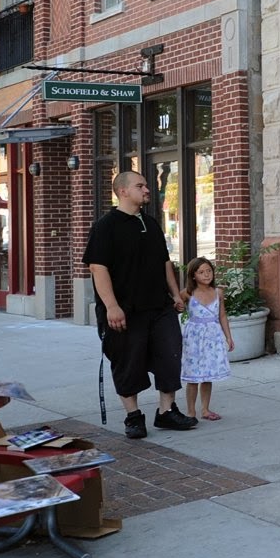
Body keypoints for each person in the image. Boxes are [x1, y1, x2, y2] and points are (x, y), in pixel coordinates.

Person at [83, 170, 197, 438]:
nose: (147, 189)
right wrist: (111, 306)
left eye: (146, 185)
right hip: (125, 311)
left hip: (159, 307)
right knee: (128, 362)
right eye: (140, 185)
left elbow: (165, 262)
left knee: (170, 356)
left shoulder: (151, 223)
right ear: (123, 191)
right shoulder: (105, 226)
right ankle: (133, 417)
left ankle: (166, 412)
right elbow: (98, 268)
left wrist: (175, 294)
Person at [180, 256, 234, 421]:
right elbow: (177, 307)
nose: (206, 275)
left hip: (212, 337)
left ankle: (205, 409)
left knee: (207, 375)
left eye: (209, 271)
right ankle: (190, 412)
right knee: (193, 376)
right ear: (193, 275)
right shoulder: (187, 293)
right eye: (201, 272)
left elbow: (222, 315)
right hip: (194, 339)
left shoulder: (218, 293)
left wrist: (228, 337)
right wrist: (178, 306)